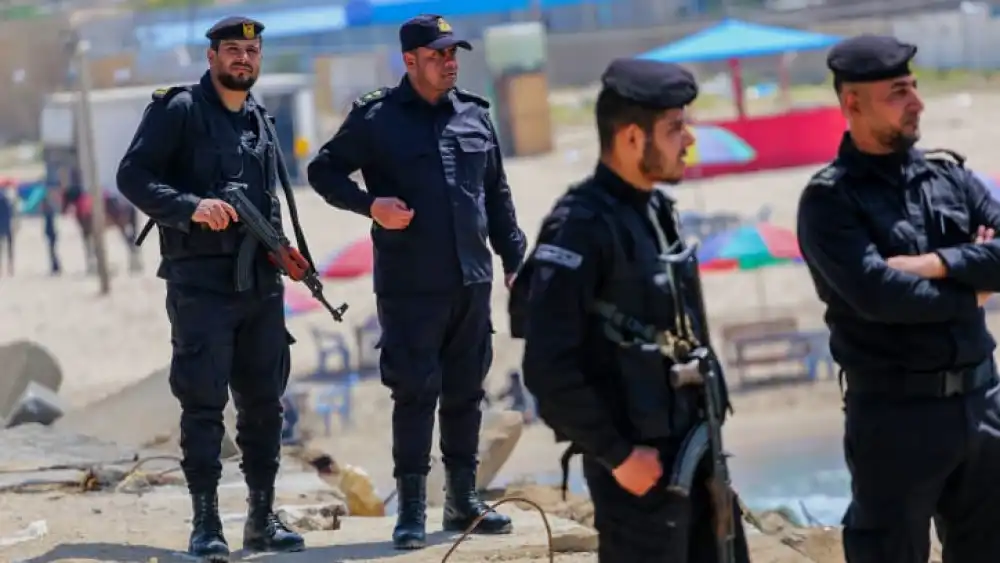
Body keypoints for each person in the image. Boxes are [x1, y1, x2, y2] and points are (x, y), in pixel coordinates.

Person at [515, 58, 750, 562]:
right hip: (638, 481)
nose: (688, 139)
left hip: (696, 458)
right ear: (630, 138)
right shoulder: (579, 226)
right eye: (674, 128)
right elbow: (547, 368)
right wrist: (617, 455)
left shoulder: (657, 211)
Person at [307, 13, 526, 550]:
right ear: (409, 61)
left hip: (472, 279)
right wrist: (370, 206)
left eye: (453, 55)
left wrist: (515, 259)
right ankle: (409, 510)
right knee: (414, 393)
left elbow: (496, 195)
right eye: (437, 56)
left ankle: (461, 500)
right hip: (410, 286)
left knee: (466, 392)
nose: (449, 64)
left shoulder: (475, 115)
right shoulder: (377, 119)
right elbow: (323, 171)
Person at [797, 35, 1000, 563]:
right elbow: (882, 296)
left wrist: (938, 263)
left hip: (982, 404)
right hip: (895, 416)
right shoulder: (830, 200)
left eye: (913, 87)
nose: (917, 103)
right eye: (897, 93)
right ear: (852, 104)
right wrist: (975, 288)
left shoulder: (950, 177)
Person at [116, 16, 305, 560]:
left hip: (260, 286)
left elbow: (269, 202)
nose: (244, 58)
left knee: (265, 404)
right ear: (212, 57)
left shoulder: (260, 119)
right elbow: (133, 176)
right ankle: (206, 522)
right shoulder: (179, 110)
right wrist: (191, 207)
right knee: (202, 405)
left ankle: (262, 518)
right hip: (200, 286)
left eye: (252, 50)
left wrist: (284, 253)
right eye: (233, 50)